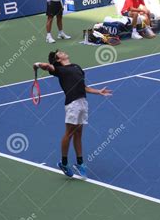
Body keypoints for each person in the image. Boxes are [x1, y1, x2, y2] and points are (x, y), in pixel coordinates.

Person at [32, 51, 112, 179]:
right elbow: (47, 66)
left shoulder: (77, 67)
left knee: (79, 133)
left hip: (83, 102)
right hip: (72, 104)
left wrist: (98, 92)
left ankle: (80, 163)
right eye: (60, 53)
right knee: (69, 133)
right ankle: (64, 163)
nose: (63, 52)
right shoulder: (58, 69)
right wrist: (37, 64)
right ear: (58, 59)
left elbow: (83, 86)